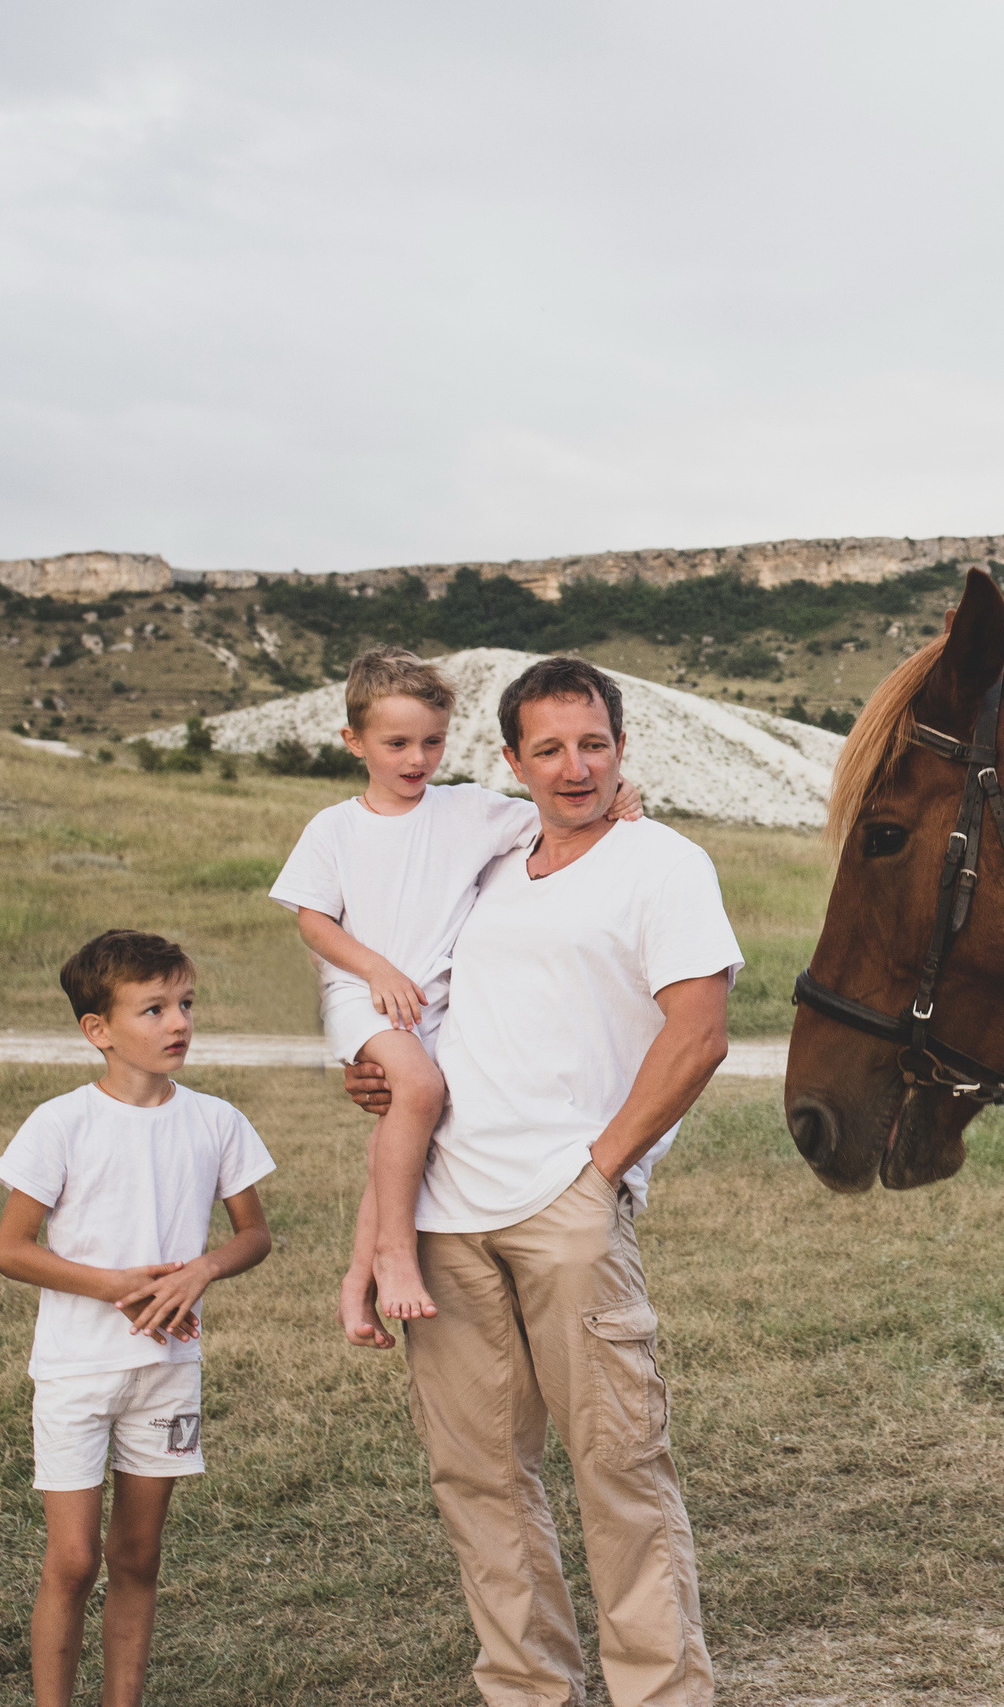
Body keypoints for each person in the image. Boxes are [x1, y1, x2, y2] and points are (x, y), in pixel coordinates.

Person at [345, 654, 739, 1707]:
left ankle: (660, 1693)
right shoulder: (486, 867)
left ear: (622, 747)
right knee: (478, 1479)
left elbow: (698, 1037)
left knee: (617, 1469)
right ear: (513, 761)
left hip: (563, 1208)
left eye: (595, 743)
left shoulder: (662, 864)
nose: (575, 767)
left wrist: (599, 1172)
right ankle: (528, 1690)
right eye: (550, 749)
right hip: (440, 1213)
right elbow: (420, 1031)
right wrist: (375, 1198)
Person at [268, 646, 637, 1341]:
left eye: (432, 741)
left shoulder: (467, 809)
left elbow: (557, 810)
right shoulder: (336, 828)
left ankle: (356, 1283)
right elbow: (312, 919)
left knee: (405, 1126)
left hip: (433, 1004)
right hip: (364, 993)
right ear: (354, 742)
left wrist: (623, 794)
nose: (417, 758)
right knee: (418, 1093)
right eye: (397, 743)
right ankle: (396, 1254)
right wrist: (375, 969)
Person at [0, 929, 275, 1707]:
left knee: (138, 1553)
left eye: (185, 1003)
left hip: (167, 1371)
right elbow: (12, 1249)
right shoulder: (61, 1123)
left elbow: (255, 1234)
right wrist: (115, 1281)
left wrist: (203, 1268)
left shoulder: (217, 1120)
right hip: (78, 1369)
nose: (178, 1022)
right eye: (153, 1008)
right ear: (99, 1029)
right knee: (75, 1558)